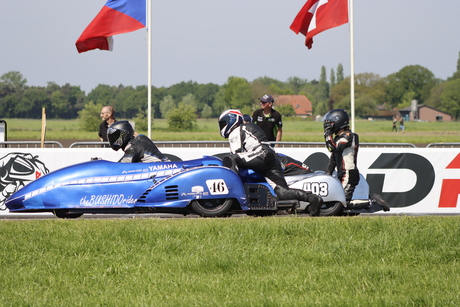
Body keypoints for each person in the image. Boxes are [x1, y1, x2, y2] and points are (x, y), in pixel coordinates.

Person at [218, 109, 322, 216]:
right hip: (271, 156)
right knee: (282, 192)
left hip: (260, 153)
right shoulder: (249, 126)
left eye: (223, 123)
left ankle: (232, 192)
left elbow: (235, 154)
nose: (222, 127)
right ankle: (311, 198)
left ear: (231, 120)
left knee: (229, 158)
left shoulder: (236, 131)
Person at [323, 109, 389, 211]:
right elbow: (333, 159)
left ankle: (373, 201)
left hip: (348, 173)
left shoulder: (350, 136)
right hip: (342, 173)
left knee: (342, 204)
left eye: (331, 123)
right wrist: (327, 175)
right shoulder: (337, 138)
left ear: (338, 122)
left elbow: (333, 148)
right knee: (337, 203)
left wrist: (327, 134)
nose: (329, 126)